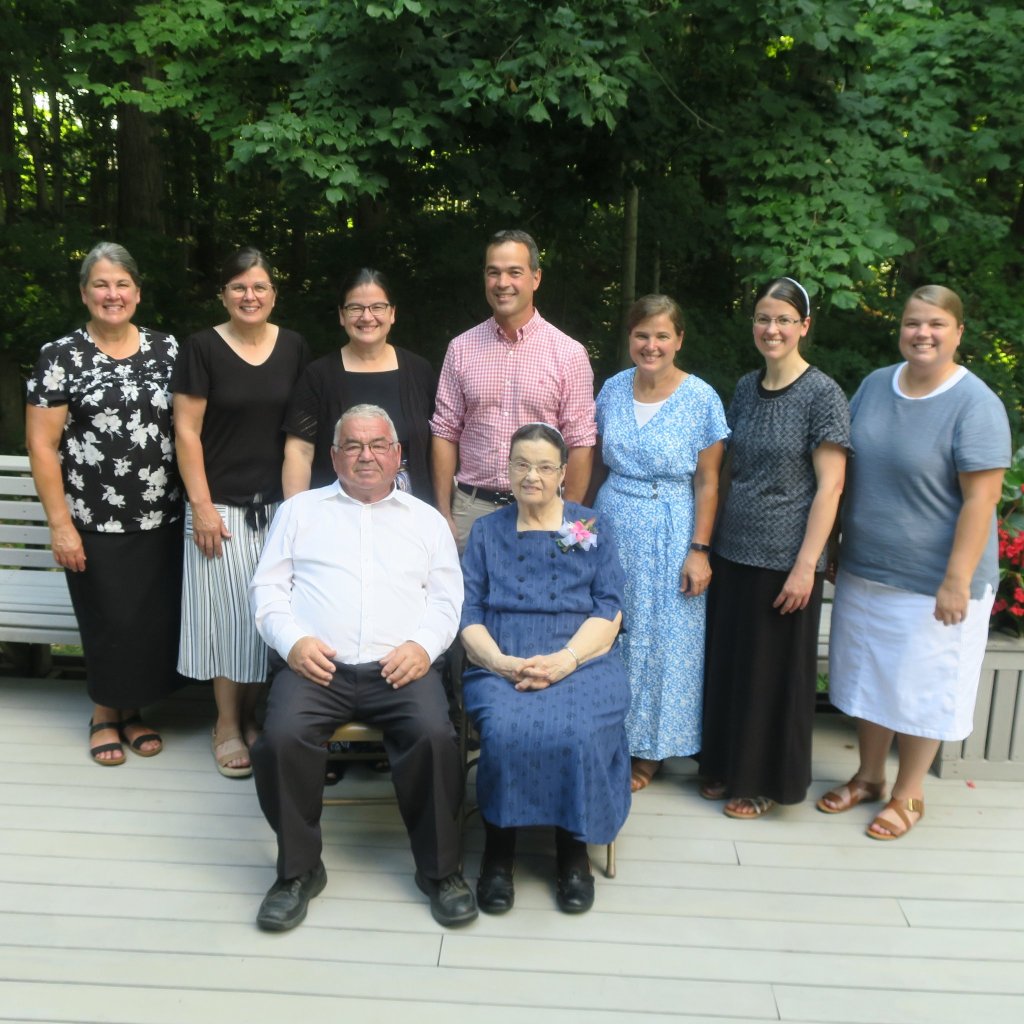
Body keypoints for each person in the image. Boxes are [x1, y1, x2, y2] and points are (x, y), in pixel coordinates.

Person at [248, 404, 474, 929]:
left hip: (402, 670)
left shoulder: (426, 521)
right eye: (352, 445)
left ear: (398, 455)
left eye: (377, 445)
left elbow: (447, 599)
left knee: (435, 738)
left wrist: (422, 646)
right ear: (334, 455)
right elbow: (268, 591)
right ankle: (298, 872)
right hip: (316, 669)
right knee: (280, 740)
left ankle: (440, 871)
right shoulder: (300, 512)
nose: (365, 455)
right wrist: (294, 640)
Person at [820, 285, 1009, 839]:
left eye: (935, 324)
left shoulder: (976, 404)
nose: (922, 334)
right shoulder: (876, 386)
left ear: (958, 333)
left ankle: (909, 793)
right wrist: (834, 543)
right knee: (868, 677)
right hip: (867, 568)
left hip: (936, 582)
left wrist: (956, 580)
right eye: (912, 323)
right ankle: (870, 776)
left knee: (923, 687)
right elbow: (844, 469)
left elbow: (983, 499)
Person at [460, 422, 630, 915]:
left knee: (575, 730)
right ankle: (499, 849)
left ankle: (572, 851)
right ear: (507, 469)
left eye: (543, 467)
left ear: (562, 474)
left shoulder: (582, 528)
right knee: (506, 731)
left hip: (581, 656)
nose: (530, 476)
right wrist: (500, 662)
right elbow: (468, 612)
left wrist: (565, 661)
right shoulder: (489, 530)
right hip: (502, 655)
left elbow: (609, 607)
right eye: (520, 465)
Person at [25, 242, 182, 765]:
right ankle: (103, 714)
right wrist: (60, 524)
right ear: (84, 293)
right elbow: (42, 445)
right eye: (101, 284)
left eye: (121, 285)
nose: (111, 294)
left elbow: (190, 429)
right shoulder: (60, 355)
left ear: (137, 292)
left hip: (161, 514)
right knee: (107, 619)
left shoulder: (168, 350)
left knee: (148, 620)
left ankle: (133, 712)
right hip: (92, 518)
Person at [700, 277, 851, 818]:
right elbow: (730, 469)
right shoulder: (744, 387)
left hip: (785, 558)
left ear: (804, 326)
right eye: (764, 318)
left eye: (785, 319)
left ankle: (763, 781)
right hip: (732, 550)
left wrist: (807, 565)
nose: (773, 328)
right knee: (732, 664)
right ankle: (721, 762)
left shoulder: (822, 394)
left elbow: (831, 486)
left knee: (772, 676)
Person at [171, 248, 310, 777]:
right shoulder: (202, 348)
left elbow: (301, 432)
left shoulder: (294, 346)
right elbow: (186, 431)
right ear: (223, 294)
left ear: (274, 293)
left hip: (277, 508)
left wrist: (297, 511)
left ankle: (253, 717)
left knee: (265, 619)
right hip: (218, 509)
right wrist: (202, 508)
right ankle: (227, 723)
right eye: (238, 287)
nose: (249, 297)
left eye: (259, 287)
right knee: (227, 621)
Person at [592, 296, 729, 792]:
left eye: (661, 335)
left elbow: (709, 482)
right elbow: (597, 464)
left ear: (679, 340)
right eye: (641, 335)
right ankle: (611, 734)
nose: (651, 345)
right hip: (614, 520)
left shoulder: (701, 398)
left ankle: (650, 749)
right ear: (629, 339)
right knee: (613, 629)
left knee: (665, 640)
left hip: (673, 527)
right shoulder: (610, 389)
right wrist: (583, 527)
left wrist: (699, 549)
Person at [430, 229, 597, 552]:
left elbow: (580, 442)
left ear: (536, 278)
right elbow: (445, 432)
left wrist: (569, 519)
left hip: (544, 513)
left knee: (537, 601)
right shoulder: (461, 349)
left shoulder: (568, 353)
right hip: (471, 511)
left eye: (514, 272)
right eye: (493, 272)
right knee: (468, 603)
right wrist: (443, 511)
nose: (502, 282)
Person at [281, 268, 436, 501]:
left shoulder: (420, 371)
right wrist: (295, 513)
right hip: (336, 512)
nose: (366, 317)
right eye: (355, 308)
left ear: (392, 313)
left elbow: (439, 445)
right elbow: (299, 452)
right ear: (342, 315)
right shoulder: (318, 376)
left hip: (410, 509)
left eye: (377, 307)